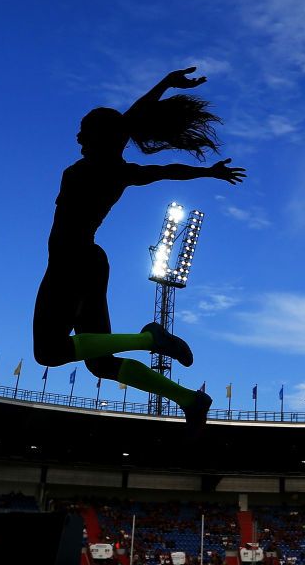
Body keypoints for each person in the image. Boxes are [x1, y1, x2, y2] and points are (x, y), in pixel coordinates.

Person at [33, 67, 245, 431]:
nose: (78, 134)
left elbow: (164, 167)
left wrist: (207, 172)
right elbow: (159, 159)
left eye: (85, 128)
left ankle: (151, 338)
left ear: (101, 137)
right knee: (101, 363)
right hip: (90, 262)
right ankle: (190, 399)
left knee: (49, 353)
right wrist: (165, 85)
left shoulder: (101, 167)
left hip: (72, 262)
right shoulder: (118, 165)